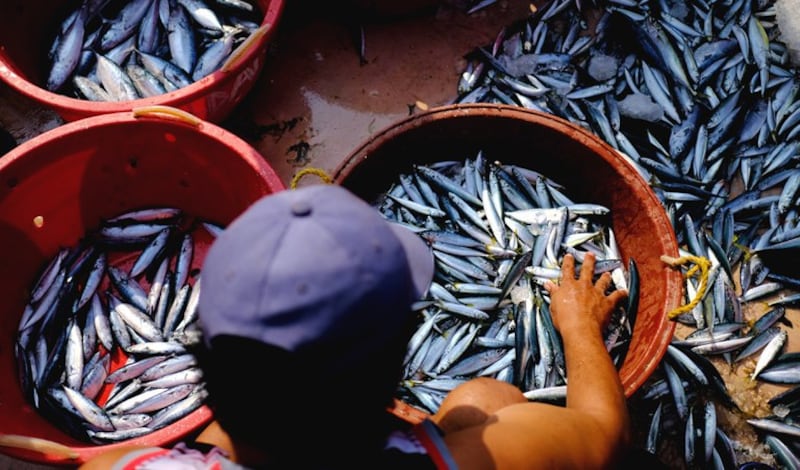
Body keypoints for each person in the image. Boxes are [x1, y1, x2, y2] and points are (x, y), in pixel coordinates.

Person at [79, 184, 630, 470]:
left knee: (472, 399)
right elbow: (603, 434)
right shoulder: (473, 464)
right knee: (481, 400)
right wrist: (578, 325)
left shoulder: (128, 463)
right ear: (397, 371)